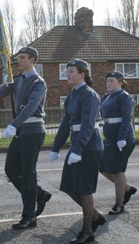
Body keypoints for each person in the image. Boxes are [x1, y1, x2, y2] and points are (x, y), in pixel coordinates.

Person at [49, 59, 104, 244]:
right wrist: (55, 148)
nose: (68, 74)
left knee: (84, 189)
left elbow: (88, 125)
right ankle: (95, 216)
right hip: (77, 146)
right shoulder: (72, 95)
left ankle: (87, 232)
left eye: (71, 71)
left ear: (83, 74)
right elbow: (66, 123)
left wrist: (78, 149)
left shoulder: (89, 95)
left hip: (89, 147)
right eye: (67, 71)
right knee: (68, 186)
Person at [0, 46, 52, 230]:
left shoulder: (38, 82)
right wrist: (6, 82)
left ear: (33, 60)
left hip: (33, 130)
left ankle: (29, 216)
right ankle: (39, 194)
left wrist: (14, 123)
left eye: (23, 57)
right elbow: (0, 95)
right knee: (11, 169)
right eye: (18, 58)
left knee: (28, 173)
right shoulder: (18, 79)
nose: (19, 61)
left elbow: (31, 106)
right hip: (21, 130)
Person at [100, 70, 136, 215]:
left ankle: (119, 204)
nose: (108, 83)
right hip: (109, 139)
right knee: (102, 168)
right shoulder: (105, 97)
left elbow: (127, 119)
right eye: (107, 80)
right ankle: (127, 189)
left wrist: (121, 138)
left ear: (120, 82)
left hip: (123, 139)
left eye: (112, 80)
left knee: (117, 170)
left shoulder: (124, 97)